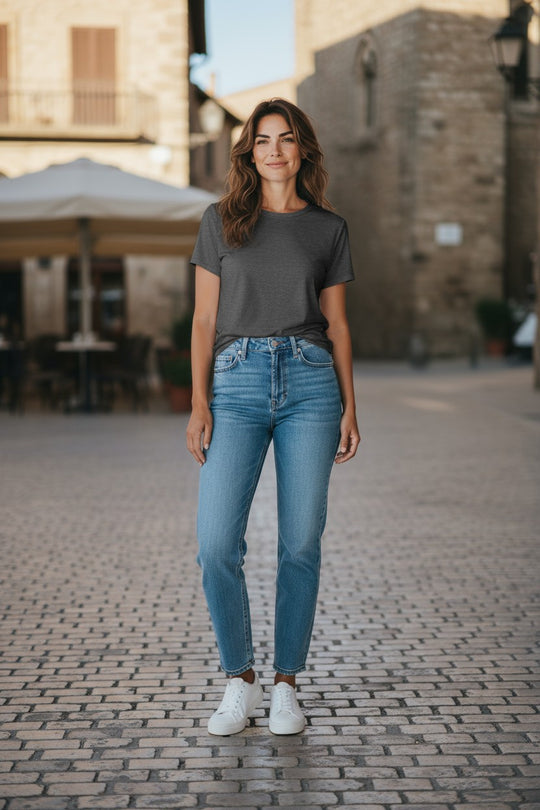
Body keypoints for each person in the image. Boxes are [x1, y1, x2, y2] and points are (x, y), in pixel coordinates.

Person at [187, 98, 360, 736]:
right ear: (249, 152)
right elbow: (204, 320)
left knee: (300, 543)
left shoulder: (328, 228)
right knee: (213, 545)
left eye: (286, 140)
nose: (275, 151)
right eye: (263, 141)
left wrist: (350, 406)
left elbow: (338, 323)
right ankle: (242, 680)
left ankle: (287, 683)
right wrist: (199, 401)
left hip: (313, 387)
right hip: (234, 385)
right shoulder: (220, 222)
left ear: (301, 150)